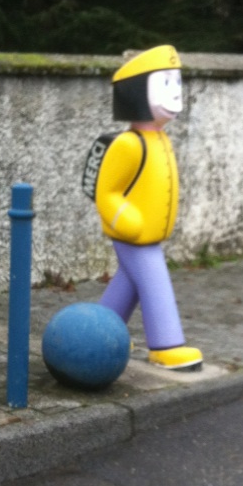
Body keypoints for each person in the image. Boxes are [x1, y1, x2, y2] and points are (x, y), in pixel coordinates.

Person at [95, 45, 202, 370]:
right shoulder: (129, 144)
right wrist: (124, 218)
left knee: (128, 284)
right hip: (134, 233)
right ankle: (166, 346)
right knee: (155, 282)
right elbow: (106, 191)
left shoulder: (160, 139)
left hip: (149, 233)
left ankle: (100, 334)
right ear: (139, 91)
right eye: (165, 83)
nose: (175, 92)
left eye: (176, 83)